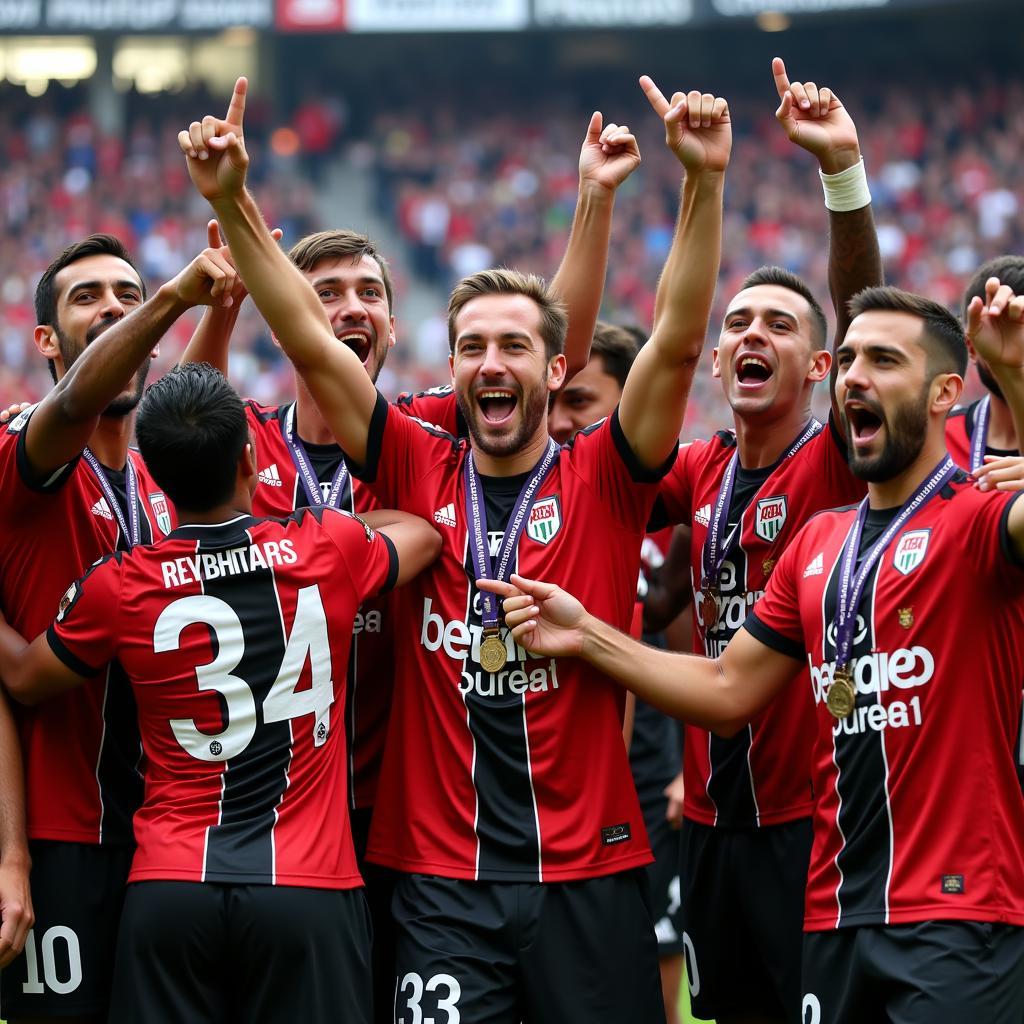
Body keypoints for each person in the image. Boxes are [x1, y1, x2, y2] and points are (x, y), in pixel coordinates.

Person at [180, 73, 730, 1022]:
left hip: (587, 871)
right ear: (449, 366)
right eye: (470, 345)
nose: (491, 363)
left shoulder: (604, 473)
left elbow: (677, 345)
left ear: (558, 370)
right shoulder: (411, 458)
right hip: (438, 882)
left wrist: (703, 182)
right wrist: (232, 198)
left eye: (514, 346)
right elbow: (314, 346)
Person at [486, 282, 1024, 1023]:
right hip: (834, 906)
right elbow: (728, 688)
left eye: (885, 360)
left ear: (945, 394)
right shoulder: (819, 542)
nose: (858, 376)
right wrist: (587, 634)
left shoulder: (980, 519)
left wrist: (1017, 378)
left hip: (957, 912)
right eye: (855, 359)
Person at [0, 361, 441, 1024]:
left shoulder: (118, 584)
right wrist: (306, 525)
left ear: (158, 478)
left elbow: (24, 678)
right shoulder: (327, 547)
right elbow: (425, 533)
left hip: (170, 889)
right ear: (249, 457)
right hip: (308, 887)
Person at [640, 59, 883, 1024]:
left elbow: (868, 315)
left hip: (810, 824)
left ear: (823, 365)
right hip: (709, 823)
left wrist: (842, 178)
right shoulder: (698, 469)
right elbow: (585, 462)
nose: (753, 334)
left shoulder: (832, 459)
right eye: (737, 322)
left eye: (780, 325)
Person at [0, 233, 238, 1023]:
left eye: (126, 297)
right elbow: (73, 403)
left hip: (161, 840)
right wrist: (171, 298)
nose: (111, 309)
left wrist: (223, 312)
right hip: (58, 837)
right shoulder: (26, 449)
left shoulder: (155, 485)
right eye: (86, 298)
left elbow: (191, 403)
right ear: (45, 339)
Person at [549, 320, 687, 1023]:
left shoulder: (662, 497)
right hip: (559, 760)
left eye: (579, 401)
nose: (559, 420)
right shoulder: (537, 493)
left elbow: (696, 637)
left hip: (650, 752)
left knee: (651, 943)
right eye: (555, 401)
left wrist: (692, 763)